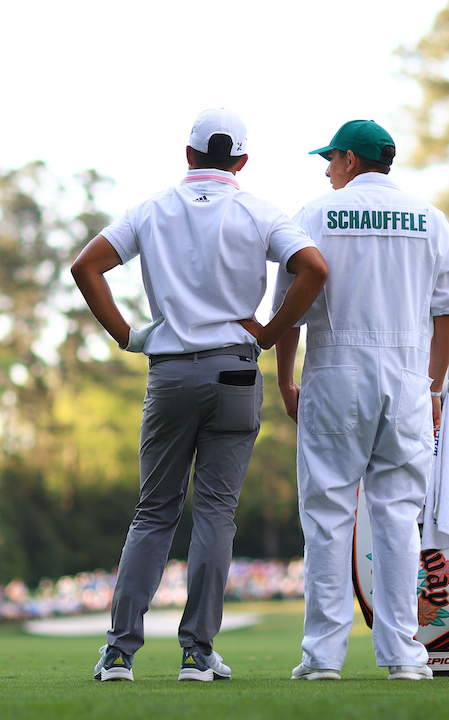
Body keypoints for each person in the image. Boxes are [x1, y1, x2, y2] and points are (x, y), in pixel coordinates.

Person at [71, 107, 327, 682]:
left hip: (170, 373)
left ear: (188, 155)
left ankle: (119, 653)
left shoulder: (152, 209)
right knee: (216, 512)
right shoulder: (259, 211)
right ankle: (197, 653)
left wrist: (126, 335)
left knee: (154, 512)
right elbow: (312, 267)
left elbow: (87, 267)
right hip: (236, 372)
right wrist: (270, 330)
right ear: (241, 160)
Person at [272, 119, 449, 682]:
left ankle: (322, 658)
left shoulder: (312, 215)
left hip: (335, 372)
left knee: (328, 517)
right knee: (399, 517)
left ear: (352, 161)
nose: (328, 169)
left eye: (331, 159)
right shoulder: (431, 219)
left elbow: (289, 305)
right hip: (406, 378)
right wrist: (432, 388)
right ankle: (404, 654)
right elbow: (448, 311)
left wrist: (286, 379)